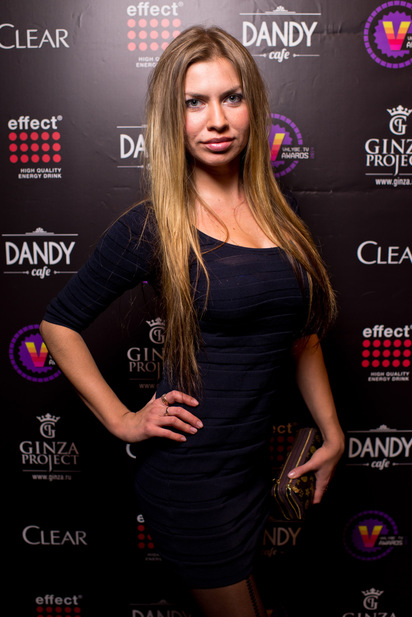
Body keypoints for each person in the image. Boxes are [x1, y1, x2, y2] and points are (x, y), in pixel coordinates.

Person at [40, 25, 345, 617]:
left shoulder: (280, 216)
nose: (217, 120)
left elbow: (301, 335)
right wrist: (124, 420)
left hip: (249, 471)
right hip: (192, 478)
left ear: (253, 105)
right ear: (171, 118)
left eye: (231, 98)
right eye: (194, 103)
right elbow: (59, 324)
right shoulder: (153, 225)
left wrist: (332, 432)